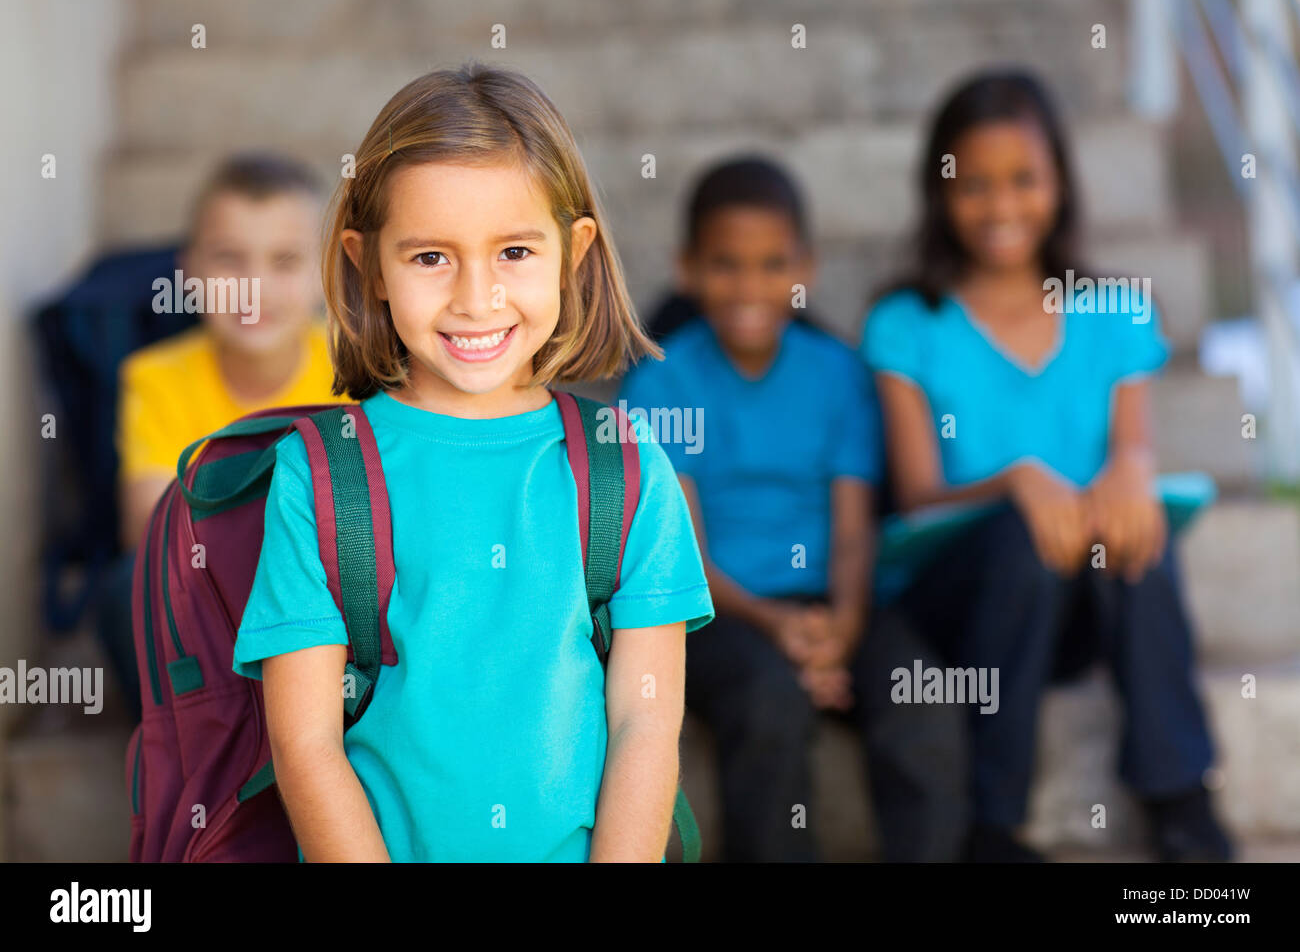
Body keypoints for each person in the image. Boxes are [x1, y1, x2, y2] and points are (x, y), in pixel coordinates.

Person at [231, 64, 714, 862]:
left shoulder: (625, 471)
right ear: (369, 264)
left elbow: (645, 724)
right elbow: (307, 749)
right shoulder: (320, 478)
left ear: (574, 250)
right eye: (430, 258)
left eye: (516, 250)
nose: (476, 297)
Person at [860, 69, 1233, 862]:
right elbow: (919, 497)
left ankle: (1182, 803)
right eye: (976, 184)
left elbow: (1133, 447)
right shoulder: (907, 323)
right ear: (939, 189)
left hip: (1078, 601)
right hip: (963, 606)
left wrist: (1131, 469)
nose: (1002, 206)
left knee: (1137, 533)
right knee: (1024, 539)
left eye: (1024, 180)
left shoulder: (1116, 312)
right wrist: (1017, 480)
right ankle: (993, 821)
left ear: (1059, 181)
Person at [619, 156, 879, 861]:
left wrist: (844, 628)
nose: (750, 286)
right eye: (725, 265)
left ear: (807, 270)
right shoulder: (660, 384)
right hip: (713, 612)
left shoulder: (838, 373)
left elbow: (855, 534)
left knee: (925, 706)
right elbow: (686, 558)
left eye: (772, 264)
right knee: (768, 700)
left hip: (829, 602)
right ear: (687, 269)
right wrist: (779, 628)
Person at [107, 153, 346, 722]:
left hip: (325, 601)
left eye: (284, 261)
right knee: (125, 591)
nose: (254, 288)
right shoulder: (155, 377)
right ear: (189, 273)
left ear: (325, 274)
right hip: (209, 596)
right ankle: (202, 747)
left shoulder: (355, 371)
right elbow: (149, 525)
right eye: (229, 261)